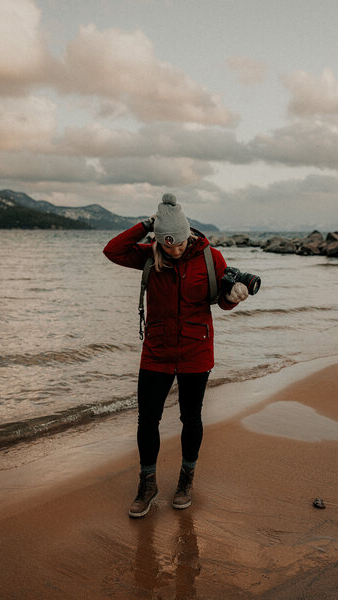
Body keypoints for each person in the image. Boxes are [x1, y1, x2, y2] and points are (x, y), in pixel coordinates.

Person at [103, 193, 249, 518]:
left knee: (191, 418)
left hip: (196, 352)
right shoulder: (148, 254)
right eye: (167, 245)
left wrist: (234, 297)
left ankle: (186, 479)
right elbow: (112, 250)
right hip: (157, 351)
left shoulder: (211, 257)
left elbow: (222, 299)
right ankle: (148, 483)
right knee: (147, 420)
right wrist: (146, 225)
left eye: (179, 244)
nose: (174, 250)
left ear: (188, 234)